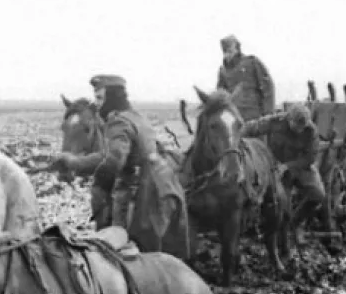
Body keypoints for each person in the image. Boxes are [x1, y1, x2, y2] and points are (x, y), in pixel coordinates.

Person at [56, 75, 190, 258]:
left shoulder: (118, 122)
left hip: (140, 194)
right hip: (164, 188)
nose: (97, 105)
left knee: (119, 252)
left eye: (100, 99)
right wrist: (77, 163)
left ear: (113, 98)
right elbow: (110, 154)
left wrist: (84, 173)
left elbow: (114, 161)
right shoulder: (136, 117)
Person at [241, 103, 324, 242]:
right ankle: (278, 233)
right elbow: (251, 127)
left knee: (318, 195)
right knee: (282, 206)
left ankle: (297, 223)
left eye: (302, 127)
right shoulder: (275, 122)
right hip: (275, 169)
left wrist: (288, 166)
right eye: (296, 126)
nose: (299, 130)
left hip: (300, 167)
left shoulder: (311, 131)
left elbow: (310, 157)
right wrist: (239, 140)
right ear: (288, 119)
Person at [216, 35, 275, 122]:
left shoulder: (252, 63)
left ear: (237, 49)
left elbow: (268, 88)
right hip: (235, 120)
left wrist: (267, 114)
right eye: (225, 52)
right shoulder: (223, 71)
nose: (227, 55)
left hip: (256, 118)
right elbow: (220, 96)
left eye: (230, 51)